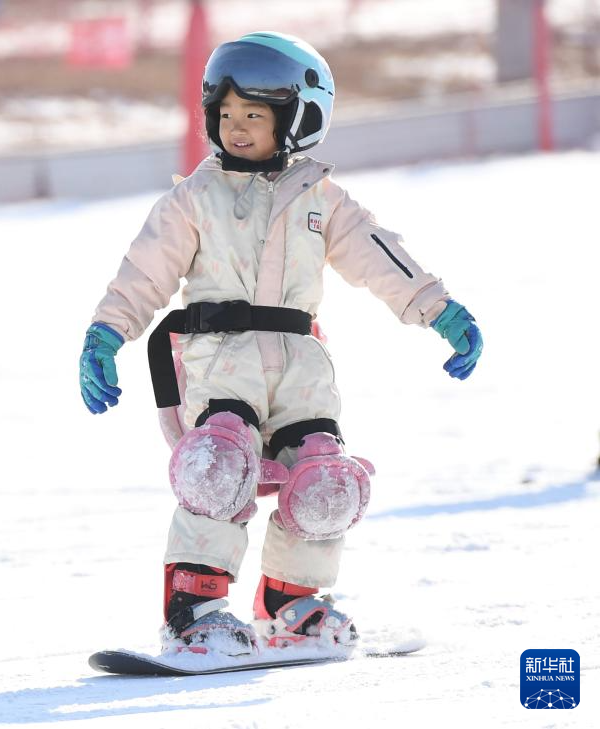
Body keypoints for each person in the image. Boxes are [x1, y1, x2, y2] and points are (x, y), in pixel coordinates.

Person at [79, 32, 482, 657]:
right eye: (225, 114)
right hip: (221, 361)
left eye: (254, 115)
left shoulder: (321, 199)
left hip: (301, 367)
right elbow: (144, 272)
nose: (235, 128)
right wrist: (106, 334)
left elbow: (382, 258)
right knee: (219, 469)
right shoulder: (194, 199)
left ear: (298, 119)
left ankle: (290, 606)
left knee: (323, 479)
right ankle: (194, 612)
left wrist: (440, 310)